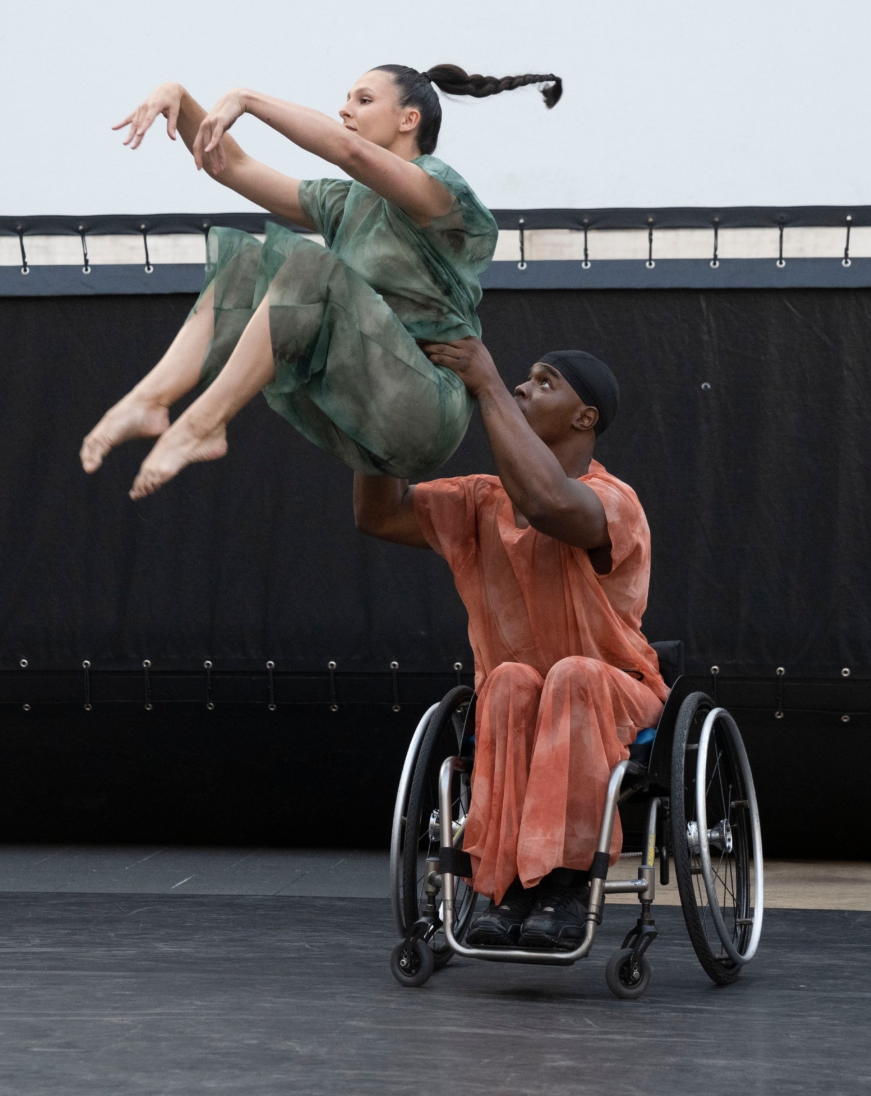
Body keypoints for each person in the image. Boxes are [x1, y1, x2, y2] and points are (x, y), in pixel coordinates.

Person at [82, 64, 562, 499]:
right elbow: (236, 166)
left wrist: (247, 98)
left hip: (426, 410)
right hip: (363, 403)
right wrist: (180, 97)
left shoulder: (437, 190)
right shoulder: (346, 202)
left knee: (308, 267)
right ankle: (150, 401)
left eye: (363, 100)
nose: (344, 109)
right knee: (247, 262)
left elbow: (348, 150)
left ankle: (203, 424)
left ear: (408, 120)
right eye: (347, 99)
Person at [354, 339, 665, 951]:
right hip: (526, 702)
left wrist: (487, 382)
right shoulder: (479, 500)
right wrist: (381, 416)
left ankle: (564, 883)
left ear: (585, 419)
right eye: (520, 380)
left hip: (617, 699)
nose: (523, 388)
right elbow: (378, 513)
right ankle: (512, 884)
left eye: (543, 383)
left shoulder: (615, 502)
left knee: (572, 675)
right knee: (512, 680)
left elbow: (548, 502)